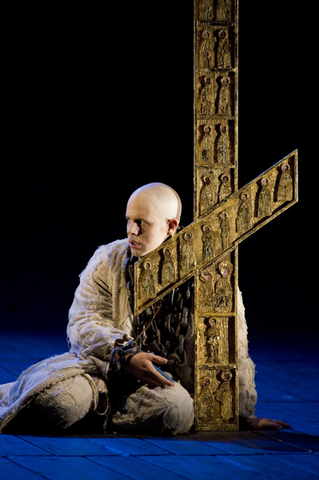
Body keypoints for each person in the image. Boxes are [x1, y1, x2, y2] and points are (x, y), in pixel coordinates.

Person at [0, 183, 290, 434]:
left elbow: (232, 345)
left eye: (142, 223)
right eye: (128, 220)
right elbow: (84, 321)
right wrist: (125, 355)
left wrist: (239, 414)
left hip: (158, 387)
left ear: (171, 226)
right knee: (62, 402)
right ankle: (29, 397)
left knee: (176, 411)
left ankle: (98, 416)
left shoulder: (211, 277)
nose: (131, 231)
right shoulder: (108, 259)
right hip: (98, 373)